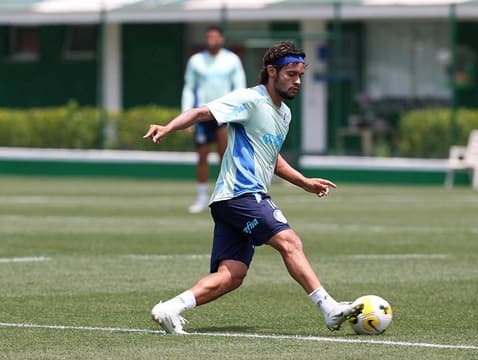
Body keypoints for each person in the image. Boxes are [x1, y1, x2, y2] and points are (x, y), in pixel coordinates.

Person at [144, 41, 361, 335]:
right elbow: (200, 113)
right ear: (271, 71)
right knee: (291, 243)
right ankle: (329, 308)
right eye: (290, 74)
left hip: (229, 200)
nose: (297, 81)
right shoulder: (249, 100)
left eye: (300, 75)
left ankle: (169, 308)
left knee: (232, 275)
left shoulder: (284, 114)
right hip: (241, 194)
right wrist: (168, 127)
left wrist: (305, 183)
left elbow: (272, 159)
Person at [182, 25, 246, 214]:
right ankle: (201, 198)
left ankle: (224, 197)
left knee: (224, 156)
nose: (212, 40)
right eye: (208, 37)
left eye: (215, 37)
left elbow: (239, 87)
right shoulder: (196, 61)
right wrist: (187, 114)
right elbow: (189, 87)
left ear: (222, 39)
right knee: (202, 155)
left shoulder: (231, 60)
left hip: (224, 114)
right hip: (202, 114)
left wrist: (239, 111)